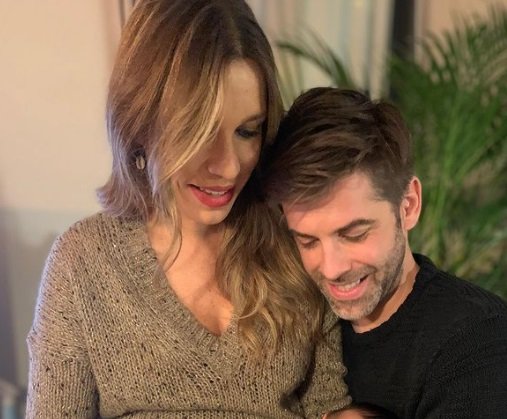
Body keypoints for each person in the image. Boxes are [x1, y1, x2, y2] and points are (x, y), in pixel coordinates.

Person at [25, 3, 351, 417]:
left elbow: (331, 409)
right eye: (201, 131)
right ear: (140, 121)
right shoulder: (84, 262)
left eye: (247, 131)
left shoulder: (296, 245)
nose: (228, 167)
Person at [262, 87, 507, 418]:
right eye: (308, 241)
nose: (332, 268)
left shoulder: (476, 341)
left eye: (354, 234)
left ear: (408, 206)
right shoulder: (293, 324)